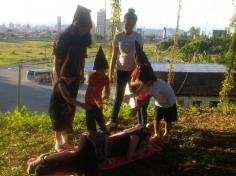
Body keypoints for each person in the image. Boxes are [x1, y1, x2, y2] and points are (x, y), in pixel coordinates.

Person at [27, 127, 150, 175]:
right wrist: (142, 150)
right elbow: (130, 156)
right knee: (77, 157)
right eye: (146, 140)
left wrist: (141, 149)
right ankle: (42, 161)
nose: (146, 143)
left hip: (98, 153)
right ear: (142, 137)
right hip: (97, 143)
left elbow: (129, 155)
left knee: (81, 163)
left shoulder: (136, 139)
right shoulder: (135, 138)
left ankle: (45, 165)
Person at [52, 5, 92, 134]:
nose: (84, 30)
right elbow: (57, 59)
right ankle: (59, 129)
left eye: (87, 28)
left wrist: (81, 73)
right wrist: (58, 78)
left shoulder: (84, 38)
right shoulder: (64, 38)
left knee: (71, 103)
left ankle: (68, 129)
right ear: (76, 24)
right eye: (82, 27)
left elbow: (82, 58)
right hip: (63, 74)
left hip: (75, 74)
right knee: (61, 104)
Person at [107, 8, 143, 129]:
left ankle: (140, 121)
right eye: (127, 24)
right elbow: (114, 56)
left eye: (131, 25)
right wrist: (110, 74)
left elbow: (140, 57)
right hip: (121, 70)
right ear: (124, 22)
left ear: (134, 25)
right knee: (118, 96)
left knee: (136, 95)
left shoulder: (138, 37)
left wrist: (139, 72)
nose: (129, 27)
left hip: (133, 72)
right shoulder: (118, 36)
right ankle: (113, 120)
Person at [49, 57, 91, 152]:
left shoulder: (65, 83)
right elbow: (68, 98)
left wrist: (67, 107)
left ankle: (65, 141)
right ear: (70, 76)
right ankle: (58, 144)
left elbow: (65, 100)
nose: (74, 80)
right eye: (74, 78)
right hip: (56, 110)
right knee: (58, 128)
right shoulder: (60, 84)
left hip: (63, 108)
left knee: (64, 125)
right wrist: (83, 105)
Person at [127, 65, 178, 141]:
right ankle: (156, 134)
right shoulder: (145, 83)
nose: (143, 84)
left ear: (150, 81)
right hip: (159, 103)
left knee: (168, 120)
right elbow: (138, 92)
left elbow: (146, 99)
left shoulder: (156, 86)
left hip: (169, 103)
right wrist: (129, 96)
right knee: (156, 119)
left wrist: (136, 109)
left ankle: (166, 133)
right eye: (142, 82)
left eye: (145, 82)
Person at [85, 46, 110, 134]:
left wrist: (106, 95)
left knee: (100, 119)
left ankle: (105, 131)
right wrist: (98, 102)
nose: (103, 72)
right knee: (90, 118)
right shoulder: (93, 77)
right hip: (89, 100)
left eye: (104, 70)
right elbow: (92, 92)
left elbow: (107, 89)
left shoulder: (106, 78)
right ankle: (92, 133)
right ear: (96, 69)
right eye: (101, 70)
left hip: (98, 100)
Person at [130, 41, 151, 127]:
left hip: (146, 93)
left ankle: (144, 124)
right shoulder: (135, 71)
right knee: (138, 109)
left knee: (143, 110)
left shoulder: (147, 70)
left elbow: (150, 81)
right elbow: (131, 82)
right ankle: (139, 124)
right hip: (138, 95)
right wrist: (137, 82)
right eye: (136, 59)